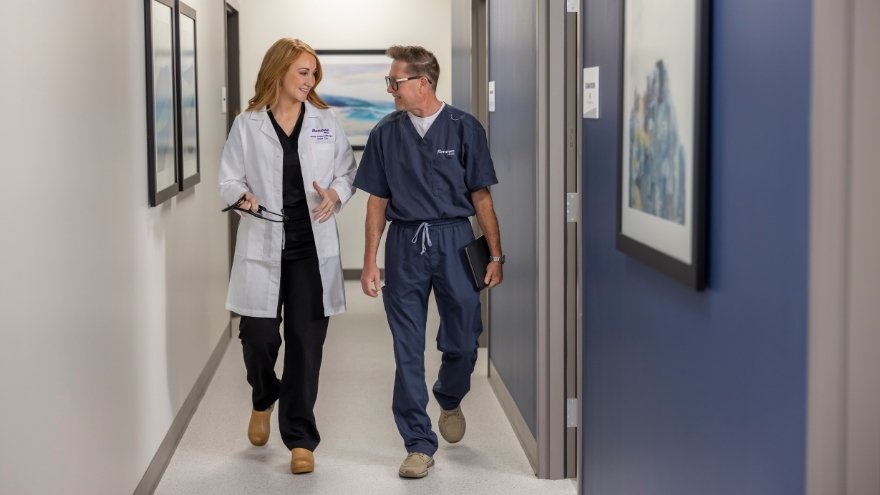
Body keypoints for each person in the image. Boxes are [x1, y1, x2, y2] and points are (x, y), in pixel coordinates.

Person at [354, 45, 505, 479]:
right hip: (405, 244)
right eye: (390, 82)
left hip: (456, 240)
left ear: (423, 83)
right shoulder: (386, 132)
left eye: (395, 82)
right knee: (406, 348)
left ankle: (450, 394)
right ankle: (418, 442)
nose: (390, 89)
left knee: (463, 337)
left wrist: (495, 253)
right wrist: (370, 261)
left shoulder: (464, 128)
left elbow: (482, 198)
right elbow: (376, 202)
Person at [218, 38, 356, 475]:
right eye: (302, 72)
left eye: (313, 73)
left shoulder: (325, 121)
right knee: (258, 338)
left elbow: (346, 171)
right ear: (279, 71)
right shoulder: (248, 123)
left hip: (311, 249)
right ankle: (263, 397)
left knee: (306, 344)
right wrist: (244, 197)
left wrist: (335, 193)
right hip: (264, 241)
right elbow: (227, 180)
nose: (310, 80)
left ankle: (300, 437)